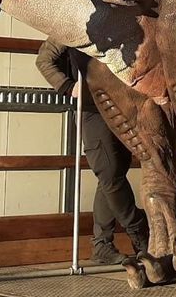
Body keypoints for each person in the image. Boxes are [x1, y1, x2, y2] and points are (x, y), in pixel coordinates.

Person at [36, 39, 150, 264]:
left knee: (111, 175)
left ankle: (102, 244)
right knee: (109, 175)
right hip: (92, 111)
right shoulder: (70, 22)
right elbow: (44, 60)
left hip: (120, 106)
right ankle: (138, 230)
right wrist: (67, 86)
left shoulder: (113, 20)